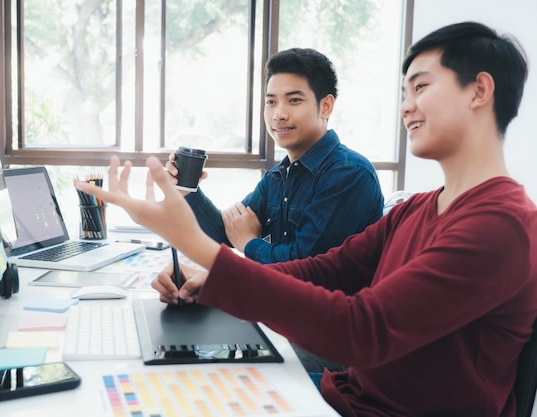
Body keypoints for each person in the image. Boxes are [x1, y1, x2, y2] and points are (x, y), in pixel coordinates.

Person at [76, 21, 537, 416]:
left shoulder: (502, 227)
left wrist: (209, 253)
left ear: (479, 90)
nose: (405, 107)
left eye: (420, 87)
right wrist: (210, 276)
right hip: (354, 395)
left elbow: (363, 329)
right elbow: (327, 268)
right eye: (403, 92)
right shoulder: (421, 207)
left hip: (380, 409)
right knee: (172, 380)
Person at [166, 48, 384, 265]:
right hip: (278, 297)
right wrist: (188, 191)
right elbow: (226, 232)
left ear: (325, 106)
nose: (278, 114)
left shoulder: (348, 173)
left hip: (317, 299)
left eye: (294, 100)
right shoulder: (279, 176)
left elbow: (304, 265)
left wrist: (249, 244)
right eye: (271, 102)